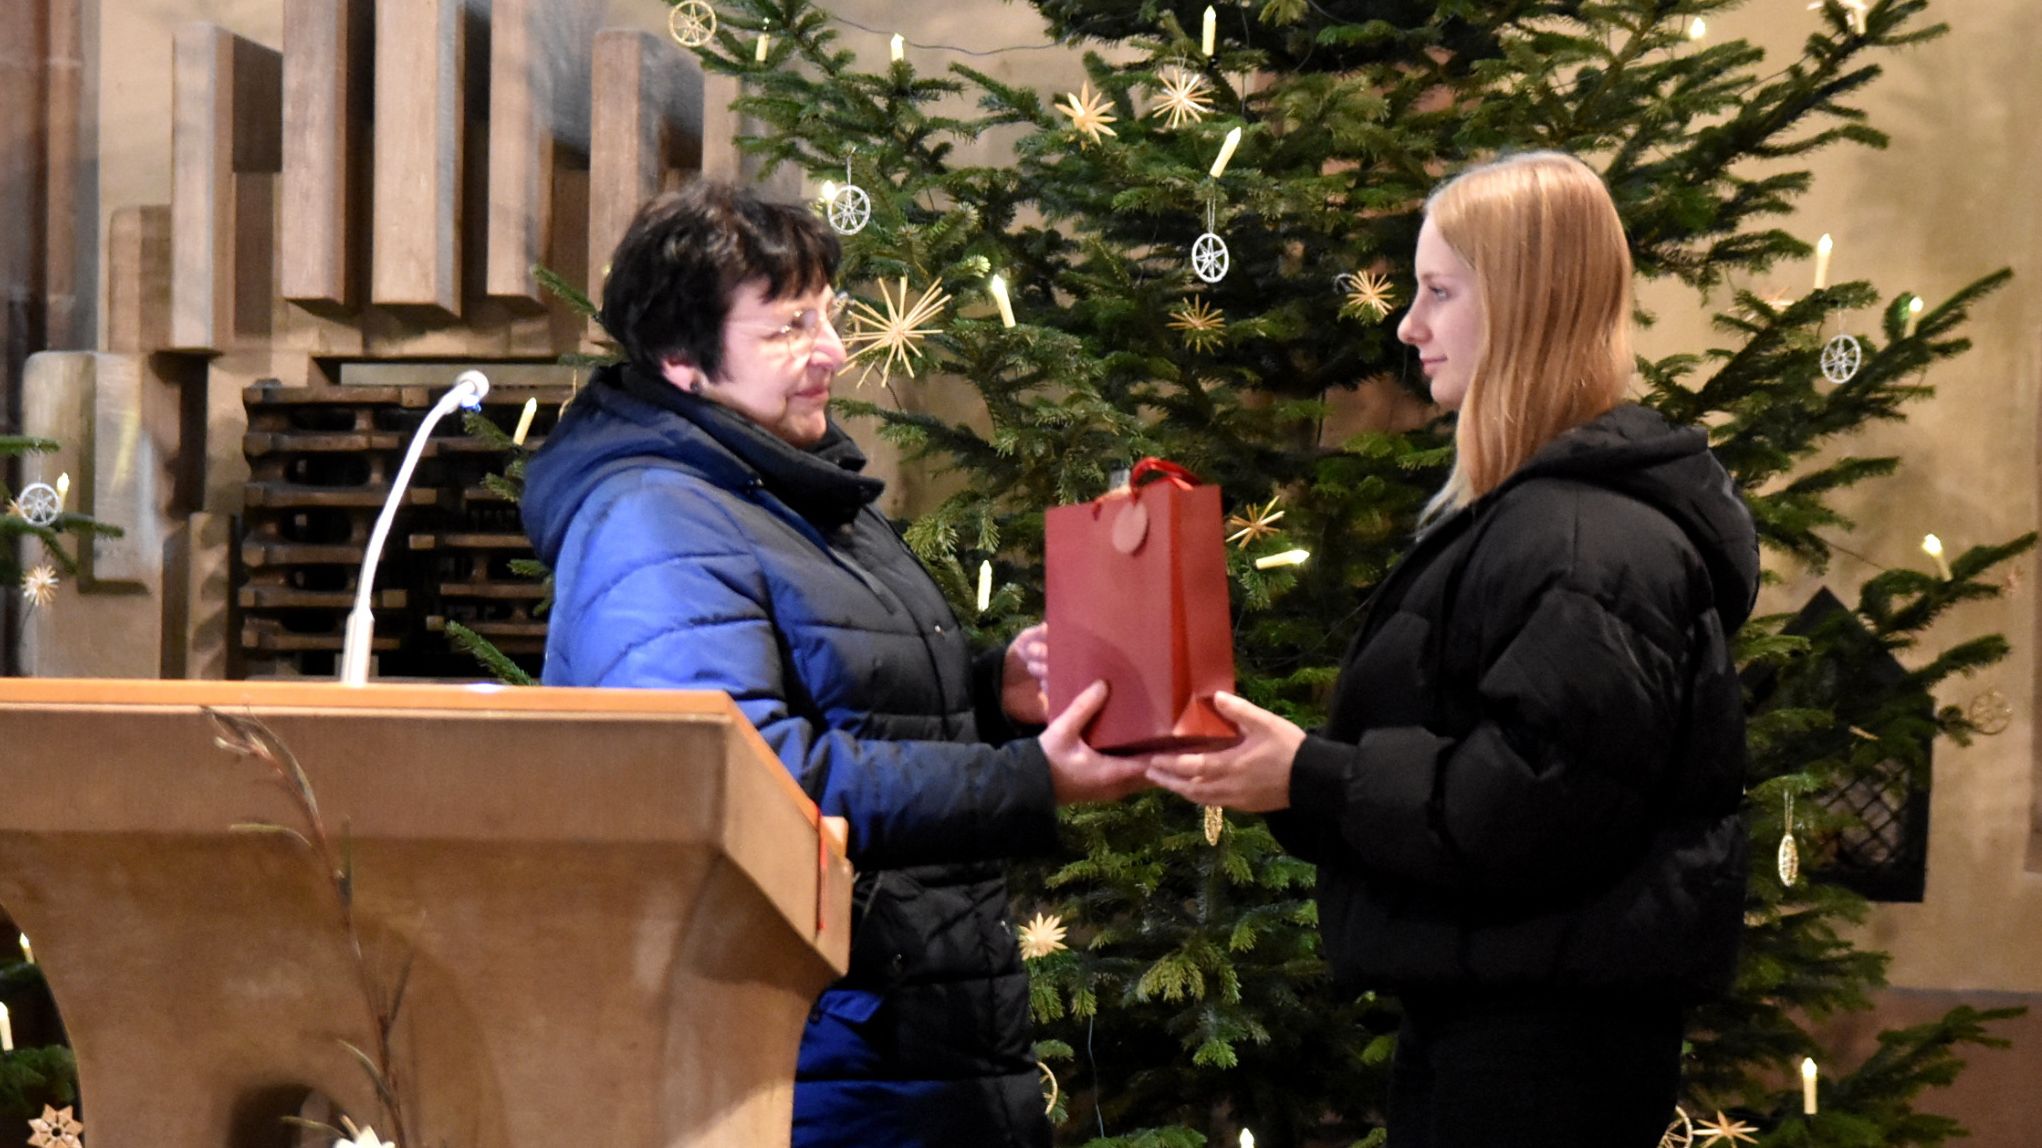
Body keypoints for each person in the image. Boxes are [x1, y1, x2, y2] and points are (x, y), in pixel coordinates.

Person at [1142, 152, 1760, 1147]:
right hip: (1505, 1027)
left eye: (1436, 291)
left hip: (1540, 1058)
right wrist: (1293, 777)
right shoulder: (1539, 518)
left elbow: (1532, 802)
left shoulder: (1582, 539)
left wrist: (1313, 774)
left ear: (1520, 300)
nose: (1406, 324)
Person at [521, 180, 1144, 1148]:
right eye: (787, 326)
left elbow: (849, 702)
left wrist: (991, 691)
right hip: (802, 1052)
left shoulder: (790, 483)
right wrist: (1026, 778)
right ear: (683, 357)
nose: (834, 352)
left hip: (899, 1034)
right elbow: (747, 779)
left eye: (829, 314)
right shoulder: (652, 516)